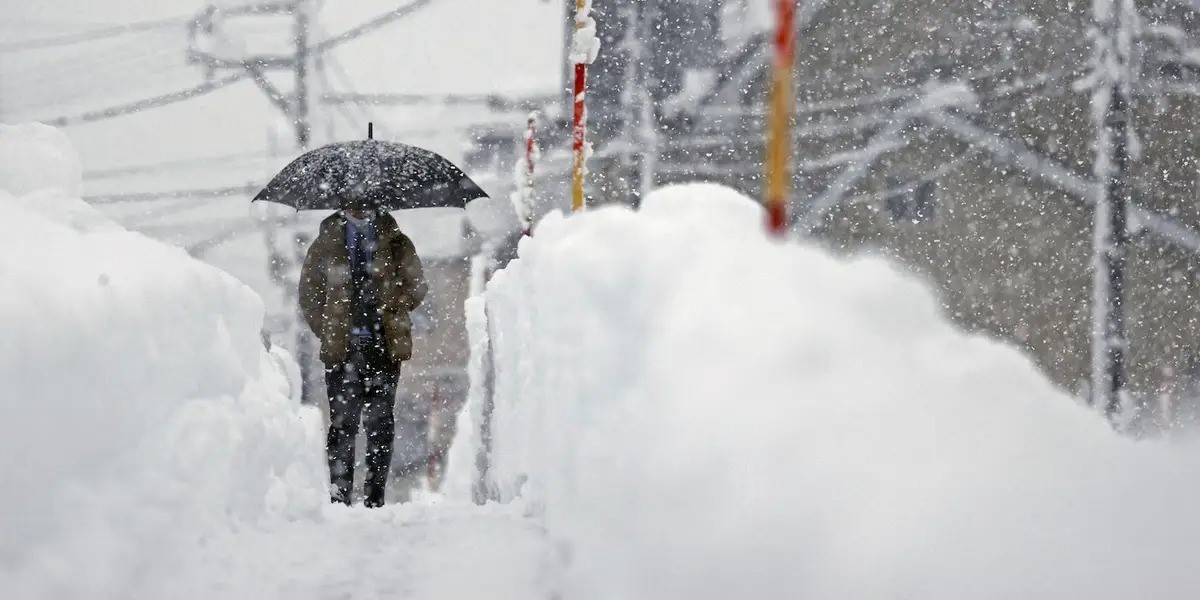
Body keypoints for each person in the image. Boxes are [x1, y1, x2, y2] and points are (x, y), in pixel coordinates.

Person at [299, 204, 427, 508]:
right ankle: (340, 495)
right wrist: (328, 328)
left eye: (367, 198)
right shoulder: (326, 243)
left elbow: (418, 287)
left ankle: (374, 497)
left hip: (384, 346)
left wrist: (395, 302)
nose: (360, 204)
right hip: (342, 350)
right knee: (343, 424)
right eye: (353, 199)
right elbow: (309, 293)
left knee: (380, 424)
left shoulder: (397, 242)